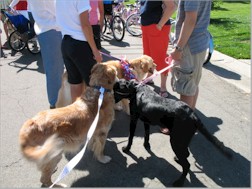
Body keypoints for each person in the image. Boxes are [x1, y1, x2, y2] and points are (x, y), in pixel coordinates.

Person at [56, 0, 102, 102]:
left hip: (66, 43)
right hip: (81, 45)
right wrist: (95, 50)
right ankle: (95, 116)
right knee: (94, 84)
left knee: (75, 83)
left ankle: (77, 115)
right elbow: (85, 25)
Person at [170, 0, 212, 110]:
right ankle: (190, 122)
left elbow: (190, 20)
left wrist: (178, 49)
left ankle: (183, 126)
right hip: (198, 43)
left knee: (186, 89)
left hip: (189, 45)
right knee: (192, 84)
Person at [27, 0, 64, 109]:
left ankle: (56, 103)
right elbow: (56, 9)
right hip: (51, 29)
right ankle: (55, 105)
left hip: (47, 29)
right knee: (55, 71)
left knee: (55, 70)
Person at [140, 0, 176, 98]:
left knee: (159, 58)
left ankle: (163, 87)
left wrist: (160, 25)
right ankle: (149, 77)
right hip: (146, 27)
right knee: (148, 55)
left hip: (157, 27)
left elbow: (171, 6)